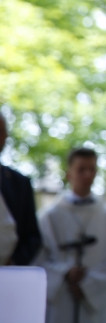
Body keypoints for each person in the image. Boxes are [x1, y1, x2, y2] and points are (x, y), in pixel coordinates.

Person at [37, 147, 106, 323]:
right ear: (69, 174)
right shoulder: (49, 217)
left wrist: (89, 284)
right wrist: (66, 273)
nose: (87, 175)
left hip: (94, 301)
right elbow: (38, 258)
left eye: (92, 169)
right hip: (61, 298)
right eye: (81, 169)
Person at [0, 111, 43, 266]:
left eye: (1, 131)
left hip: (9, 275)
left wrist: (14, 262)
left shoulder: (20, 183)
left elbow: (32, 236)